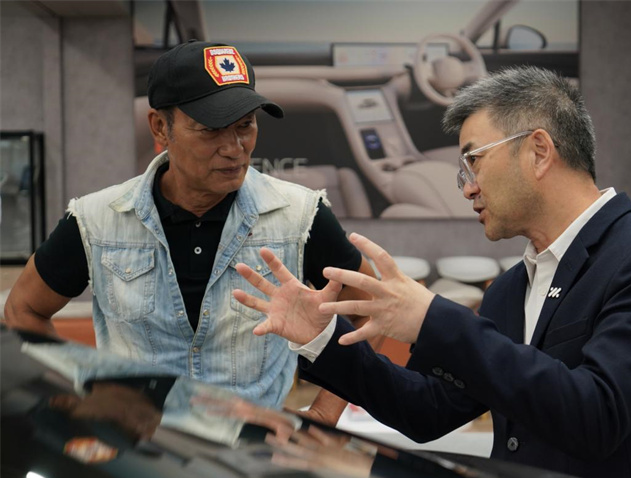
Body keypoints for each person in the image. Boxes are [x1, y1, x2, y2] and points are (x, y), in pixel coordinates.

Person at [232, 66, 631, 478]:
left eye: (474, 161)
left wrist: (433, 318)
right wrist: (323, 339)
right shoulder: (510, 289)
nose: (467, 187)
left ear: (539, 151)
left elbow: (596, 417)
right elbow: (427, 410)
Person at [2, 40, 376, 424]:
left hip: (253, 450)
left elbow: (373, 310)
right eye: (211, 129)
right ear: (160, 127)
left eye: (245, 125)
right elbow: (23, 310)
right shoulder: (97, 220)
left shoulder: (299, 217)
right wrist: (76, 390)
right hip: (139, 446)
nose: (234, 148)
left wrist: (324, 415)